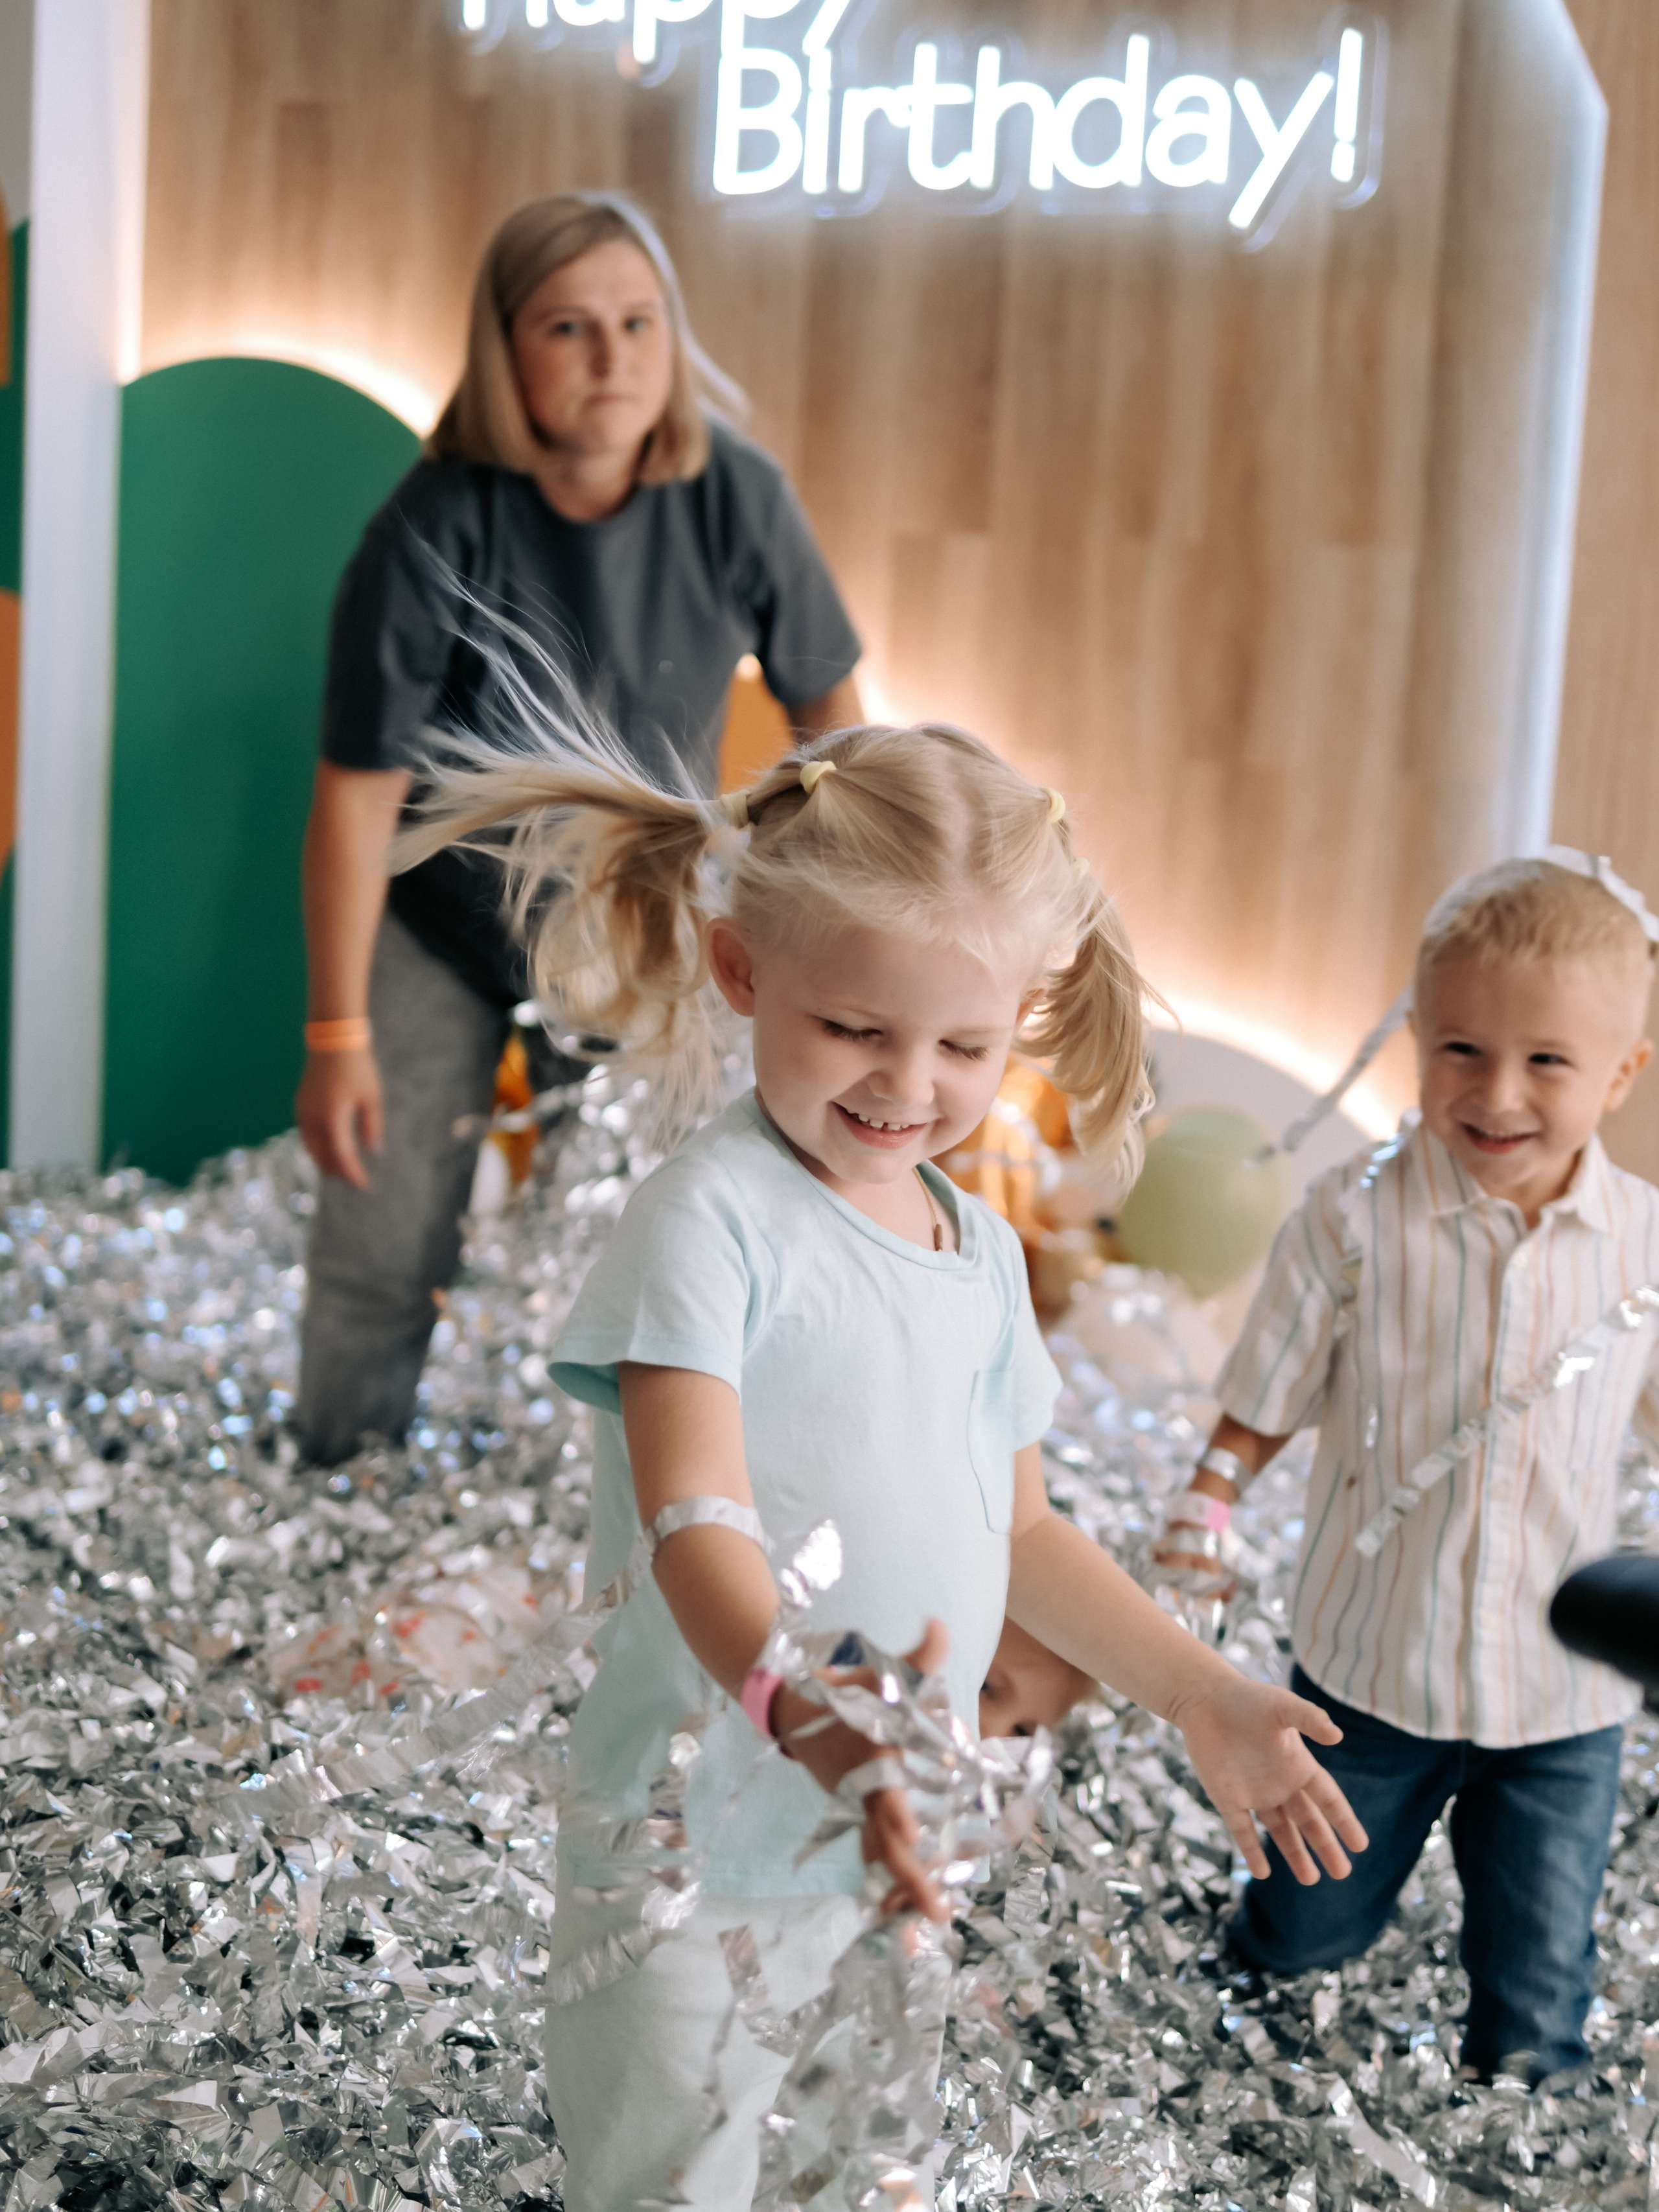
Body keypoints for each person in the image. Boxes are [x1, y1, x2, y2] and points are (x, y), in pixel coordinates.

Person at [395, 711, 1368, 2211]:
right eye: (854, 1029)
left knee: (863, 2174)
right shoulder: (703, 1223)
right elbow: (695, 1523)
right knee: (674, 2181)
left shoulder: (976, 1253)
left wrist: (1203, 1692)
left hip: (893, 1840)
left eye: (963, 1046)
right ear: (742, 971)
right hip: (690, 1847)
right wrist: (813, 1720)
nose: (905, 1085)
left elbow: (1022, 1535)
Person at [294, 191, 863, 1465]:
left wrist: (829, 893)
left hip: (638, 930)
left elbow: (831, 711)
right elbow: (356, 794)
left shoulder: (733, 498)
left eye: (636, 324)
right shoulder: (435, 523)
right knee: (382, 1238)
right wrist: (336, 1035)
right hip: (442, 919)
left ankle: (626, 1500)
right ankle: (339, 1477)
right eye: (568, 328)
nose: (612, 360)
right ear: (506, 351)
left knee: (647, 1236)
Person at [1155, 853, 1659, 2086]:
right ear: (1419, 1036)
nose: (1496, 1092)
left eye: (1547, 1061)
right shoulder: (1347, 1220)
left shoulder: (1644, 1240)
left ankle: (1525, 2091)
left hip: (1561, 1705)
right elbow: (1262, 1395)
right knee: (1303, 1921)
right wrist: (1212, 1492)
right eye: (1460, 1049)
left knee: (1540, 1966)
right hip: (1370, 1672)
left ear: (1623, 1073)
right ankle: (1258, 2017)